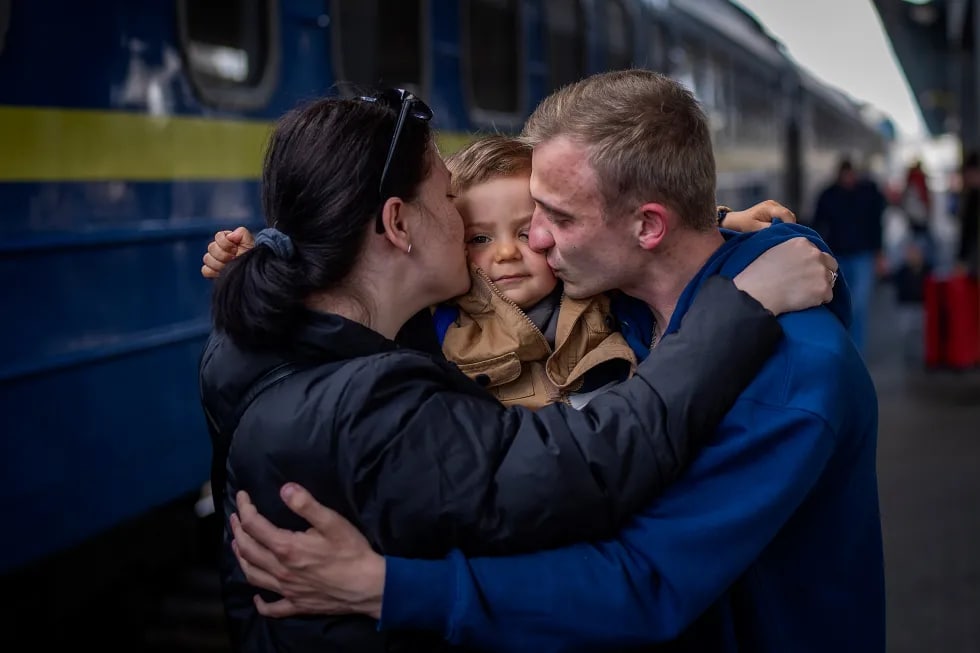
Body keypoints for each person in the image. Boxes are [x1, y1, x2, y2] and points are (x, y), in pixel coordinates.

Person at [228, 71, 883, 653]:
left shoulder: (794, 375)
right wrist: (274, 267)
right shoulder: (609, 297)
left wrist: (390, 586)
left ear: (647, 227)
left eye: (554, 215)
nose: (531, 243)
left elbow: (643, 582)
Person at [202, 134, 797, 410]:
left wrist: (719, 221)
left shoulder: (589, 284)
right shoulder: (433, 319)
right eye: (479, 238)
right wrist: (262, 257)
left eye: (526, 231)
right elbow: (343, 301)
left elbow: (623, 235)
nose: (508, 254)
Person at [812, 157, 887, 355]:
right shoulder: (829, 196)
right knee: (842, 302)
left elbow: (877, 226)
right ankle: (846, 346)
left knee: (858, 305)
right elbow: (818, 225)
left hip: (862, 256)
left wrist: (879, 254)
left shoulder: (865, 194)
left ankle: (854, 349)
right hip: (839, 257)